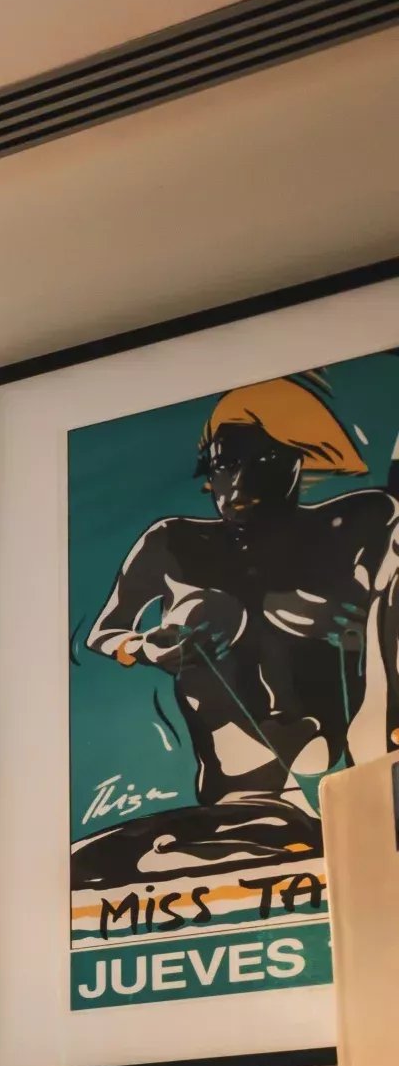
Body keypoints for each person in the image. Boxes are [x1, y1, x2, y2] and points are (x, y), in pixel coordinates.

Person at [75, 375, 399, 889]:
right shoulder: (173, 543)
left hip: (349, 777)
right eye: (225, 463)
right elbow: (105, 632)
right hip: (239, 788)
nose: (240, 481)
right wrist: (144, 646)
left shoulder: (358, 527)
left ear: (300, 460)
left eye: (265, 459)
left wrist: (357, 622)